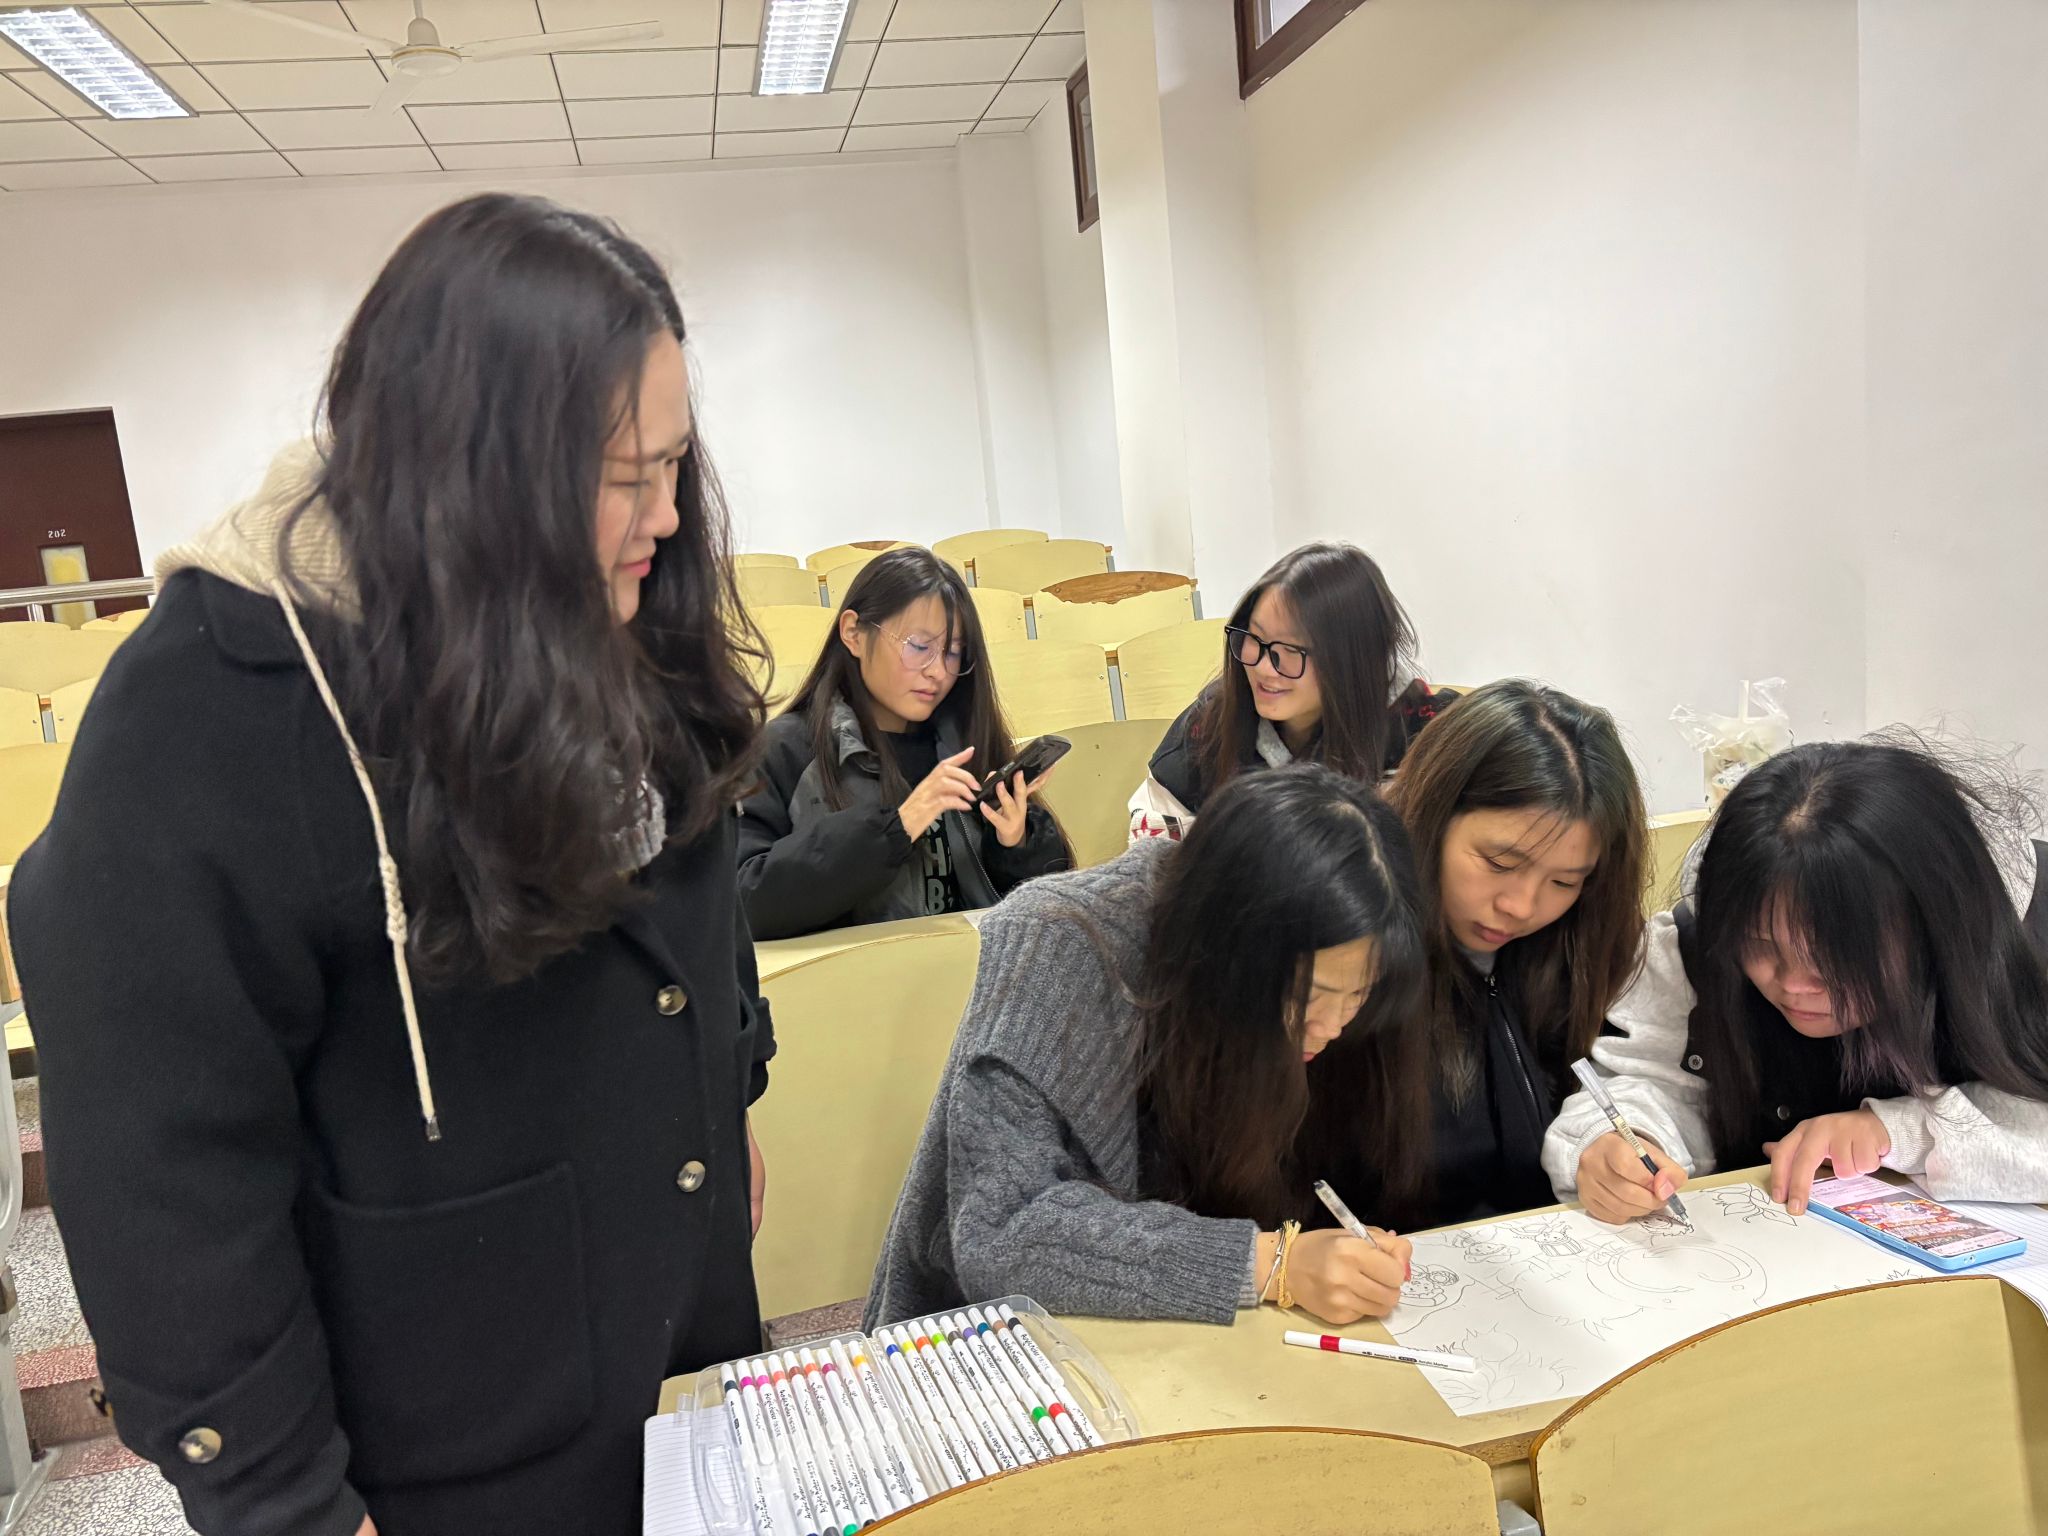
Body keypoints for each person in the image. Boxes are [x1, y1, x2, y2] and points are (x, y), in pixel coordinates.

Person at [7, 194, 774, 1536]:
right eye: (621, 474)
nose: (663, 512)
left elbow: (689, 863)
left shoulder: (611, 592)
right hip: (447, 1440)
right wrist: (283, 1499)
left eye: (674, 460)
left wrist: (730, 1078)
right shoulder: (214, 702)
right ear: (473, 468)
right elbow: (159, 1182)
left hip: (676, 1351)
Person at [867, 763, 1428, 1329]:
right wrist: (1272, 1263)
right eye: (1309, 996)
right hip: (985, 1342)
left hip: (1196, 1337)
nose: (1332, 1026)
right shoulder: (1056, 938)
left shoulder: (1348, 966)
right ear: (1232, 949)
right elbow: (1003, 1232)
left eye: (1360, 993)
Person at [1548, 736, 2048, 1222]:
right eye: (1759, 944)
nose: (1793, 985)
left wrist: (1896, 1131)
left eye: (1837, 956)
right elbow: (1648, 1080)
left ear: (1934, 924)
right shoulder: (1692, 945)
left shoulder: (2028, 937)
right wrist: (1622, 1142)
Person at [1371, 681, 1649, 1231]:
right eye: (1499, 863)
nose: (1520, 907)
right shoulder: (1348, 952)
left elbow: (1634, 1081)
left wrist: (1622, 1143)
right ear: (1432, 814)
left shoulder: (1583, 944)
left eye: (1564, 881)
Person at [737, 546, 1070, 939]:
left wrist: (1016, 844)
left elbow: (1047, 910)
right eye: (919, 646)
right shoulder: (784, 749)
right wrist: (897, 827)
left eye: (953, 653)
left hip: (972, 968)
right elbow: (744, 900)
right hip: (861, 975)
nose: (938, 672)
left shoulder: (966, 740)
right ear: (853, 633)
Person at [1128, 542, 1453, 842]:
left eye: (1292, 650)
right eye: (1255, 638)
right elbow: (1151, 846)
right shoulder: (1212, 722)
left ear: (1353, 660)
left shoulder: (1423, 735)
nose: (1264, 669)